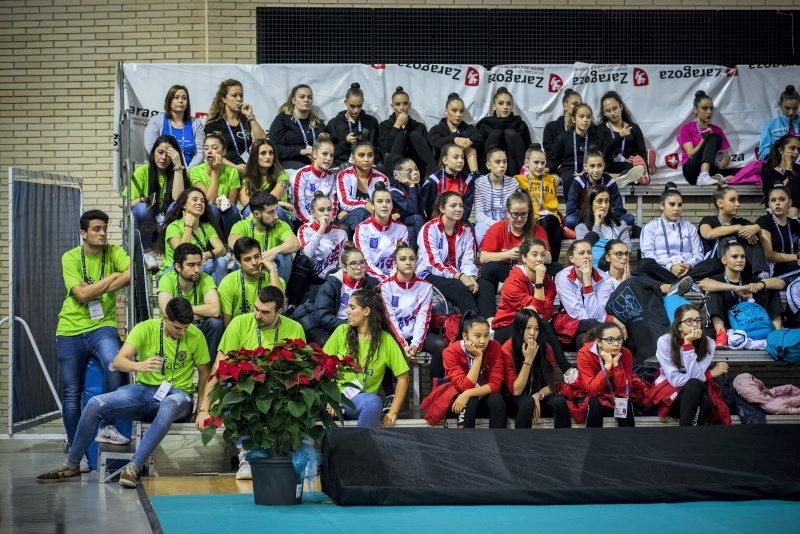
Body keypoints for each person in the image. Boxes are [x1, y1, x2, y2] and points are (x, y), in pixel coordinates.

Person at [39, 298, 211, 487]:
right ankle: (72, 465)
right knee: (95, 403)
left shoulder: (196, 335)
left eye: (186, 327)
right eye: (178, 328)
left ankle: (133, 467)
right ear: (165, 318)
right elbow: (118, 361)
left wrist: (203, 408)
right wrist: (140, 366)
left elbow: (204, 373)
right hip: (146, 391)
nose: (183, 332)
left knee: (169, 404)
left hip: (179, 396)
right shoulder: (145, 328)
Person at [202, 286, 305, 480]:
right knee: (232, 392)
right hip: (244, 385)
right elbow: (219, 366)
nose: (258, 315)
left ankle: (283, 453)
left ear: (279, 312)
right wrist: (204, 407)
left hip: (277, 386)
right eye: (256, 308)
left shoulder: (295, 328)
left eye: (265, 312)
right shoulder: (238, 323)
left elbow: (297, 370)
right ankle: (246, 457)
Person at [55, 210, 131, 470]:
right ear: (83, 233)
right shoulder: (71, 257)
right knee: (71, 394)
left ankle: (106, 425)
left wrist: (97, 286)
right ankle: (79, 455)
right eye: (96, 229)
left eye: (104, 229)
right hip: (70, 329)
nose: (102, 233)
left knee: (114, 362)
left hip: (102, 326)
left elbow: (131, 274)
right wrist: (111, 278)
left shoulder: (114, 252)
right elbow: (81, 294)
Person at [323, 289, 410, 429]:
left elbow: (403, 377)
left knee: (373, 402)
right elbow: (322, 368)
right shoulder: (341, 332)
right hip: (333, 399)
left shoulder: (385, 340)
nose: (347, 312)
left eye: (352, 307)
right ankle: (362, 447)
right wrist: (329, 398)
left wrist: (393, 411)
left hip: (359, 402)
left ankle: (360, 446)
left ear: (367, 311)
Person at [417, 192, 496, 320]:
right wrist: (460, 276)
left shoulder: (466, 230)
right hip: (430, 274)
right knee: (459, 288)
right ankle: (473, 324)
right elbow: (433, 263)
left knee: (486, 286)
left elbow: (468, 260)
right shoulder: (429, 229)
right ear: (442, 209)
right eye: (453, 205)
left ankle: (490, 324)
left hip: (459, 274)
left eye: (461, 205)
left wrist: (471, 277)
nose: (459, 209)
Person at [379, 244, 447, 382]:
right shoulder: (385, 287)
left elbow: (423, 319)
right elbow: (390, 320)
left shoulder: (426, 287)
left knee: (441, 345)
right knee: (383, 345)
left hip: (417, 334)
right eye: (403, 259)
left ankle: (436, 390)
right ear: (395, 263)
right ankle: (390, 394)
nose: (408, 262)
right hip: (394, 334)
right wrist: (404, 345)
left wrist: (416, 344)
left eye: (412, 259)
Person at [699, 241, 785, 346]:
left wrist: (760, 285)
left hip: (753, 325)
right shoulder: (717, 279)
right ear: (724, 260)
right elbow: (703, 284)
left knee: (771, 288)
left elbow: (781, 283)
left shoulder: (750, 280)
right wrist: (736, 288)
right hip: (729, 328)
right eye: (735, 257)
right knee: (712, 292)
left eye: (742, 257)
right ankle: (721, 335)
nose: (740, 260)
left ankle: (777, 334)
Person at [655, 304, 729, 426]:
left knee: (697, 389)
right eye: (689, 321)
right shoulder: (665, 341)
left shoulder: (709, 343)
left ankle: (686, 435)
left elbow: (696, 377)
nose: (695, 324)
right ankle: (689, 436)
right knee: (702, 397)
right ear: (679, 325)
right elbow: (675, 380)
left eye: (698, 320)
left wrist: (688, 345)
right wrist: (709, 374)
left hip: (695, 392)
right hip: (671, 397)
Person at [638, 183, 722, 285]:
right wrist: (671, 266)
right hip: (663, 270)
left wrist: (688, 265)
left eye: (679, 205)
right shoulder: (650, 227)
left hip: (687, 270)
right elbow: (647, 254)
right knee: (645, 264)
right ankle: (683, 282)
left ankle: (677, 282)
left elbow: (698, 254)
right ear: (662, 205)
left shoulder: (689, 227)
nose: (677, 208)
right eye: (672, 204)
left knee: (716, 263)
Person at [500, 309, 571, 429]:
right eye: (528, 328)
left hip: (538, 397)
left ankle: (563, 443)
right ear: (519, 328)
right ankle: (522, 445)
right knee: (527, 402)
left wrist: (538, 395)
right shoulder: (507, 349)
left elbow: (551, 384)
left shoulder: (546, 347)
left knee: (559, 402)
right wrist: (528, 360)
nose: (532, 333)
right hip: (514, 401)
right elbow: (516, 390)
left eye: (536, 329)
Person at [296, 245, 380, 346]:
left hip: (355, 326)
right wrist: (351, 326)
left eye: (362, 262)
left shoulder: (371, 286)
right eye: (353, 264)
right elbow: (323, 316)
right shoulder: (332, 284)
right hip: (325, 326)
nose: (359, 267)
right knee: (331, 344)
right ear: (344, 267)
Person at [157, 243, 223, 361]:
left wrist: (182, 311)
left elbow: (215, 310)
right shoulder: (167, 279)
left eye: (199, 264)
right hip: (175, 328)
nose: (197, 270)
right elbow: (168, 312)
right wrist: (201, 312)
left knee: (216, 323)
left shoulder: (205, 278)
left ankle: (209, 364)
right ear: (178, 267)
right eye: (191, 265)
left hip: (198, 328)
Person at [126, 134, 188, 259]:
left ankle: (171, 250)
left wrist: (178, 166)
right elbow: (126, 205)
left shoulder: (178, 173)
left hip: (167, 224)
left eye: (169, 155)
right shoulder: (143, 171)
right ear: (153, 152)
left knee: (176, 206)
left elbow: (178, 199)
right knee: (141, 208)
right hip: (147, 224)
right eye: (160, 152)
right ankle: (147, 251)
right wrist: (143, 199)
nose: (163, 158)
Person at [553, 240, 624, 347]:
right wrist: (606, 319)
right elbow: (575, 311)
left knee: (583, 338)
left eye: (589, 252)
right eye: (581, 253)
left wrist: (587, 284)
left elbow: (594, 314)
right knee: (592, 325)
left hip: (591, 327)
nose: (587, 256)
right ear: (571, 258)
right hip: (570, 323)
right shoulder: (562, 277)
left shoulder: (605, 280)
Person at [479, 190, 551, 294]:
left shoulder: (537, 230)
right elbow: (483, 257)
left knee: (554, 268)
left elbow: (548, 258)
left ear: (529, 212)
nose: (519, 218)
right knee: (488, 269)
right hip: (507, 270)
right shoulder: (497, 228)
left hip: (530, 270)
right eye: (515, 214)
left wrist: (531, 255)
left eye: (523, 214)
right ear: (507, 213)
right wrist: (508, 254)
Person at [492, 239, 560, 348]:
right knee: (541, 325)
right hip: (508, 325)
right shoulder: (512, 282)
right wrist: (539, 281)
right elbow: (536, 310)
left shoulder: (550, 283)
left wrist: (540, 281)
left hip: (535, 326)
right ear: (524, 258)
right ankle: (564, 365)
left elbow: (545, 313)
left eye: (542, 255)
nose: (539, 259)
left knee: (541, 326)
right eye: (534, 255)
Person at [443, 313, 506, 428]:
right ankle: (466, 443)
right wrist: (478, 357)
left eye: (486, 335)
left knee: (496, 399)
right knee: (470, 400)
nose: (483, 341)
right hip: (457, 400)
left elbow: (496, 385)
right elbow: (464, 387)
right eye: (477, 336)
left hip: (480, 395)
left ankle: (500, 442)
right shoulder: (450, 352)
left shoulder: (494, 346)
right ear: (465, 336)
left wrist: (468, 393)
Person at [286, 191, 347, 306]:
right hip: (309, 275)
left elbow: (341, 261)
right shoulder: (304, 229)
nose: (326, 213)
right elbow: (307, 254)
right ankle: (292, 304)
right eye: (321, 210)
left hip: (329, 277)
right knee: (302, 260)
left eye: (329, 209)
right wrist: (322, 228)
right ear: (313, 213)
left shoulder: (341, 233)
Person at [158, 187, 227, 285]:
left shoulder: (206, 227)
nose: (199, 203)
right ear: (184, 205)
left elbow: (222, 249)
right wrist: (188, 226)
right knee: (206, 265)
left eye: (202, 201)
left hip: (196, 266)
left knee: (221, 261)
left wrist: (208, 254)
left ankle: (219, 297)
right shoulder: (173, 226)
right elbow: (181, 253)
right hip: (174, 270)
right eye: (195, 200)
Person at [228, 190, 300, 283]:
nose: (276, 216)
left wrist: (274, 251)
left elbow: (295, 244)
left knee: (284, 255)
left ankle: (279, 290)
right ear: (256, 214)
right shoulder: (241, 226)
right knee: (237, 258)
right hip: (251, 269)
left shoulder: (280, 225)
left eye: (275, 210)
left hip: (271, 270)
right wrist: (259, 258)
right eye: (271, 212)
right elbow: (233, 243)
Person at [572, 322, 635, 427]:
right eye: (610, 340)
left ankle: (628, 441)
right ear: (599, 342)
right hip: (591, 393)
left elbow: (624, 389)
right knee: (594, 404)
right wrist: (608, 365)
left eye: (619, 339)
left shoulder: (626, 353)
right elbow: (592, 389)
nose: (616, 344)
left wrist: (616, 366)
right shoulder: (584, 353)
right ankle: (594, 441)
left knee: (625, 403)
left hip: (615, 392)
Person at [698, 186, 767, 278]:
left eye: (738, 200)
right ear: (720, 203)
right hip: (715, 265)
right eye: (732, 200)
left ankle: (760, 273)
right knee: (730, 237)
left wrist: (756, 227)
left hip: (740, 266)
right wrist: (737, 228)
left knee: (751, 235)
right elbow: (708, 234)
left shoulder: (741, 222)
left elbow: (760, 228)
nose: (738, 204)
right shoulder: (708, 220)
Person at [547, 102, 614, 196]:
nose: (585, 120)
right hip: (569, 171)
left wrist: (588, 170)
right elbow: (553, 159)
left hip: (590, 169)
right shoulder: (564, 137)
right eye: (581, 116)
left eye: (588, 117)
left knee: (597, 177)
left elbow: (603, 157)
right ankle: (573, 209)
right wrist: (546, 169)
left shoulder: (597, 137)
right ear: (574, 119)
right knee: (571, 179)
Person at [217, 237, 283, 327]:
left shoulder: (274, 278)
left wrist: (272, 269)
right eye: (247, 259)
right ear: (238, 262)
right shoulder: (228, 283)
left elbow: (280, 306)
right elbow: (227, 323)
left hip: (267, 329)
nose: (254, 262)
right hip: (240, 331)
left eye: (257, 256)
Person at [204, 79, 267, 172]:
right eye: (234, 95)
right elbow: (213, 153)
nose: (239, 99)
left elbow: (262, 140)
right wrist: (234, 167)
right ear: (224, 99)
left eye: (241, 95)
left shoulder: (246, 121)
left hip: (248, 167)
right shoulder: (213, 125)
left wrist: (251, 117)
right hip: (225, 168)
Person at [515, 144, 563, 261]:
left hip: (551, 220)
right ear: (526, 163)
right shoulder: (518, 179)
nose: (540, 166)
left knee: (551, 223)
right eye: (536, 162)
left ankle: (552, 263)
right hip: (531, 219)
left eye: (543, 163)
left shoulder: (551, 179)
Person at [564, 149, 634, 229]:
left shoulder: (610, 182)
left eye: (599, 166)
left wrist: (604, 216)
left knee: (629, 218)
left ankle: (599, 227)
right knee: (569, 220)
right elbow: (571, 209)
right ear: (585, 167)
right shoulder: (578, 181)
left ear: (604, 166)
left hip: (606, 218)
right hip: (585, 218)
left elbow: (619, 209)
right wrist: (593, 216)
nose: (596, 170)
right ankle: (604, 228)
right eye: (592, 166)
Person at [189, 133, 242, 238]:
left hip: (225, 213)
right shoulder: (195, 171)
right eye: (206, 148)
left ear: (224, 152)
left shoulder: (232, 171)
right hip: (204, 212)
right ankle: (214, 242)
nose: (209, 151)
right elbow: (208, 201)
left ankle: (231, 242)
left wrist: (223, 202)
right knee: (212, 209)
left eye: (214, 148)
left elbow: (231, 202)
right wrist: (215, 172)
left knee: (233, 209)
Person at [676, 90, 734, 186]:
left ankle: (714, 177)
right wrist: (704, 139)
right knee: (713, 137)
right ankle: (704, 176)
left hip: (711, 169)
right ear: (696, 109)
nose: (709, 112)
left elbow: (725, 154)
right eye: (704, 108)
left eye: (711, 108)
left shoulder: (717, 129)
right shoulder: (686, 128)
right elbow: (690, 155)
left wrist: (725, 160)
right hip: (692, 170)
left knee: (738, 172)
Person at [354, 182, 408, 281]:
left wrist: (392, 279)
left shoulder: (402, 229)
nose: (385, 205)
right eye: (379, 201)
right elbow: (365, 263)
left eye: (388, 201)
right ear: (372, 205)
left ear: (392, 205)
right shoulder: (362, 229)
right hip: (371, 277)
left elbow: (402, 260)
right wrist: (384, 280)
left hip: (395, 277)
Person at [378, 86, 436, 175]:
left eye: (405, 103)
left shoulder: (419, 127)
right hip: (395, 170)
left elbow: (428, 154)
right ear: (392, 106)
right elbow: (384, 151)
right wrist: (396, 126)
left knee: (414, 134)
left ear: (409, 105)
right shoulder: (384, 125)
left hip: (418, 170)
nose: (402, 108)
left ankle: (433, 176)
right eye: (398, 104)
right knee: (400, 137)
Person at [144, 84, 205, 168]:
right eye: (176, 97)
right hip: (161, 169)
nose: (181, 101)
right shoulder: (156, 121)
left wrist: (187, 171)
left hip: (188, 171)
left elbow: (200, 153)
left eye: (184, 98)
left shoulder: (196, 124)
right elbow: (151, 148)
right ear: (169, 101)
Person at [269, 84, 326, 171]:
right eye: (302, 97)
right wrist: (301, 151)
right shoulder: (282, 119)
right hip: (288, 162)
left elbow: (328, 141)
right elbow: (274, 147)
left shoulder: (317, 122)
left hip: (314, 161)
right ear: (293, 100)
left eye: (309, 97)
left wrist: (325, 137)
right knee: (307, 171)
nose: (306, 100)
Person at [476, 87, 531, 176]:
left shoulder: (520, 124)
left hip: (515, 168)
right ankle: (486, 176)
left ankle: (525, 173)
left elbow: (528, 149)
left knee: (510, 133)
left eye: (509, 104)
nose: (505, 107)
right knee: (497, 134)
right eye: (501, 103)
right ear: (494, 106)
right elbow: (478, 151)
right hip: (490, 169)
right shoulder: (485, 124)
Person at [336, 140, 390, 231]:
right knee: (360, 212)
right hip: (350, 217)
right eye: (361, 155)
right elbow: (345, 202)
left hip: (374, 217)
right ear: (353, 158)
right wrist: (365, 204)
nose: (366, 160)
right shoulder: (344, 175)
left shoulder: (382, 178)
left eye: (370, 155)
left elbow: (386, 203)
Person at [599, 90, 653, 181]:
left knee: (636, 166)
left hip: (629, 165)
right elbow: (602, 153)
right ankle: (628, 176)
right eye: (608, 111)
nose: (612, 113)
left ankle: (643, 169)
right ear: (604, 113)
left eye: (615, 108)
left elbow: (642, 151)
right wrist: (619, 136)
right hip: (609, 165)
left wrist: (635, 157)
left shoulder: (633, 128)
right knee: (601, 169)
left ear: (621, 107)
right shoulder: (601, 129)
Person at [326, 82, 381, 167]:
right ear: (345, 102)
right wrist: (345, 142)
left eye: (359, 106)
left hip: (366, 164)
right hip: (340, 165)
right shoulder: (334, 123)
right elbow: (330, 152)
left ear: (363, 102)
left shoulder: (372, 122)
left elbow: (377, 148)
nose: (356, 110)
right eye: (352, 106)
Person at [427, 92, 483, 172]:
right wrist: (455, 139)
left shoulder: (469, 128)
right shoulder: (437, 129)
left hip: (464, 169)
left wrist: (464, 141)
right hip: (443, 169)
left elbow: (479, 139)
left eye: (461, 111)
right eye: (454, 110)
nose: (458, 114)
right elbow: (435, 142)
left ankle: (475, 177)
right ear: (446, 111)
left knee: (470, 146)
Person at [473, 148, 519, 245]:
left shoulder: (513, 182)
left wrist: (504, 224)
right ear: (488, 165)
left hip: (507, 220)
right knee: (479, 233)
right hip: (486, 221)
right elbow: (479, 214)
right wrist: (495, 225)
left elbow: (514, 210)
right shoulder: (479, 183)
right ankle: (486, 257)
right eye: (497, 162)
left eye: (504, 162)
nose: (502, 165)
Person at [239, 138, 292, 220]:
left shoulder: (283, 175)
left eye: (271, 153)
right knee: (248, 211)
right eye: (263, 153)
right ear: (255, 156)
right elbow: (244, 201)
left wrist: (276, 203)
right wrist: (279, 202)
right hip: (258, 212)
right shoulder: (248, 177)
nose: (268, 157)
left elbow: (271, 201)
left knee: (277, 210)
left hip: (279, 214)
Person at [291, 133, 338, 225]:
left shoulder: (332, 177)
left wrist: (329, 220)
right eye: (324, 154)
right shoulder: (301, 175)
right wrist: (313, 224)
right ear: (315, 154)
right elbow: (298, 206)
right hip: (303, 221)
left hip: (326, 222)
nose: (328, 158)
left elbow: (334, 204)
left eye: (331, 155)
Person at [421, 143, 475, 220]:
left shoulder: (468, 180)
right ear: (445, 160)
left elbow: (467, 208)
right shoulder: (433, 180)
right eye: (455, 157)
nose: (460, 160)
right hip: (437, 221)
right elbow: (430, 209)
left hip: (460, 220)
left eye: (462, 157)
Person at [757, 185, 800, 280]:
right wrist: (796, 257)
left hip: (793, 267)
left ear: (790, 203)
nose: (777, 203)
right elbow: (769, 255)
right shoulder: (764, 221)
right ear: (769, 204)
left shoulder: (794, 224)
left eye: (782, 199)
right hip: (773, 270)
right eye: (773, 200)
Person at [389, 157, 425, 250]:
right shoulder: (394, 192)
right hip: (395, 223)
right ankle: (422, 252)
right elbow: (413, 209)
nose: (415, 173)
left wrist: (400, 214)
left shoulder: (421, 186)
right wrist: (411, 186)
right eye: (410, 171)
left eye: (416, 169)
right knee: (417, 218)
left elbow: (419, 210)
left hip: (405, 218)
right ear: (399, 175)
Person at [758, 85, 800, 160]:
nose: (791, 112)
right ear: (780, 105)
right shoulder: (770, 125)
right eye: (787, 108)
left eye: (795, 108)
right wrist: (776, 160)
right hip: (777, 166)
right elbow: (762, 152)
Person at [761, 134, 800, 208]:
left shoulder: (798, 169)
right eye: (792, 148)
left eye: (798, 149)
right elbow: (779, 192)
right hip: (776, 214)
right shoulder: (768, 171)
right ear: (781, 150)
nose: (796, 152)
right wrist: (788, 168)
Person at [542, 88, 582, 154]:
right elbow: (549, 152)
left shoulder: (586, 127)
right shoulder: (551, 127)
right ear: (565, 106)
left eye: (581, 104)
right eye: (574, 104)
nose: (579, 107)